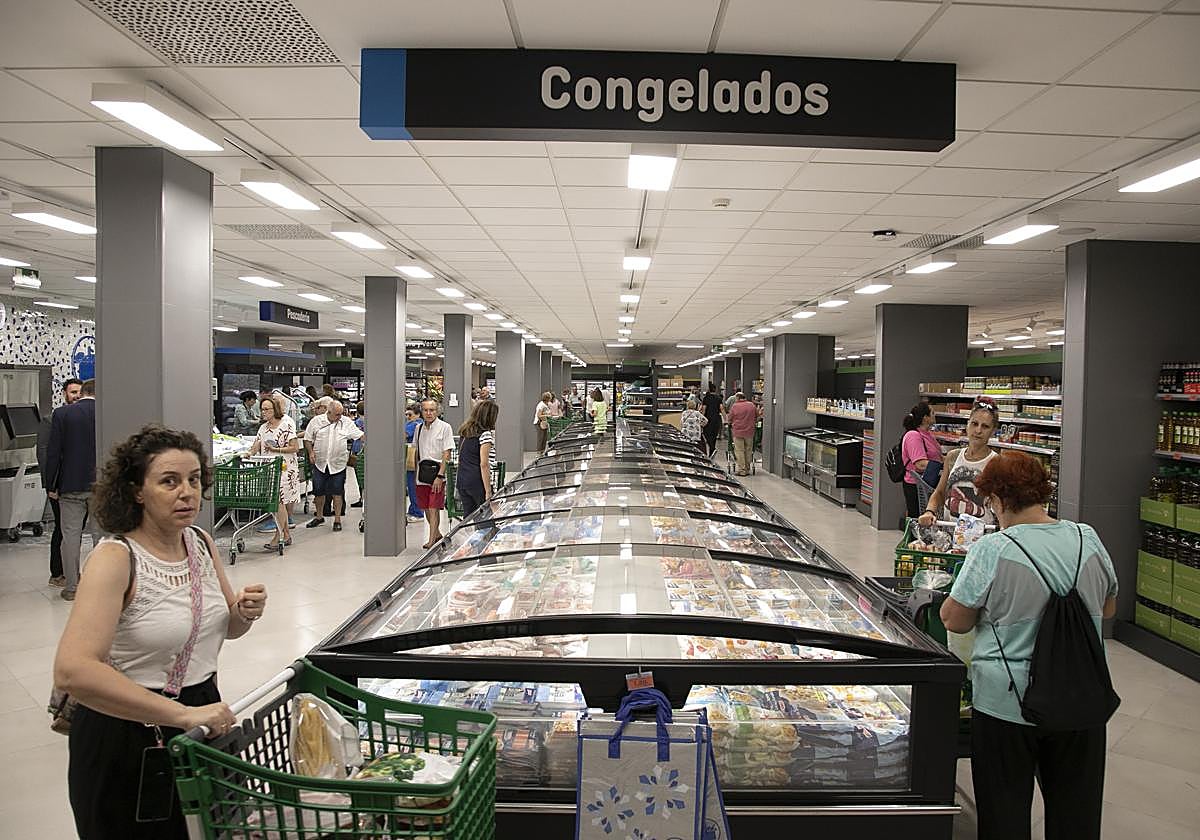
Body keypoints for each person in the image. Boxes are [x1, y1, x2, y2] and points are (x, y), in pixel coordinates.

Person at [53, 425, 266, 839]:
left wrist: (243, 612)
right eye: (169, 481)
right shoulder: (116, 558)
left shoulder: (200, 543)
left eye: (193, 479)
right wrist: (182, 715)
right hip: (129, 732)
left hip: (202, 715)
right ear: (137, 491)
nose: (187, 491)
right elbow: (73, 671)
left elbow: (228, 628)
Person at [940, 452, 1117, 840]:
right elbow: (1107, 605)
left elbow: (955, 618)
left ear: (999, 502)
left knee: (1005, 812)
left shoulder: (993, 549)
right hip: (1081, 697)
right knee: (1077, 815)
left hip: (1008, 704)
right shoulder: (1088, 538)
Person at [45, 378, 97, 601]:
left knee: (70, 537)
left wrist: (51, 484)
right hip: (101, 485)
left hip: (70, 485)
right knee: (101, 536)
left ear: (82, 392)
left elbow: (53, 452)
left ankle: (72, 587)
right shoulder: (108, 412)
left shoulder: (62, 414)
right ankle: (101, 584)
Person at [919, 397, 1000, 529]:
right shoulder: (953, 457)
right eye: (974, 423)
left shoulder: (996, 463)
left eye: (985, 426)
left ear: (993, 431)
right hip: (950, 534)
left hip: (980, 539)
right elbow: (939, 492)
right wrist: (929, 511)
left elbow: (1001, 505)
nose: (978, 430)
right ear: (967, 425)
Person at [36, 377, 83, 587]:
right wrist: (49, 485)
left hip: (77, 483)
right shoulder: (51, 419)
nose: (76, 396)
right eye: (73, 392)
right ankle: (58, 572)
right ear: (64, 394)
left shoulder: (82, 418)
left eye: (79, 393)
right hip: (60, 484)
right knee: (62, 529)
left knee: (74, 529)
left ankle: (71, 570)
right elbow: (44, 452)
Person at [248, 394, 300, 549]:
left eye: (267, 409)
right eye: (262, 409)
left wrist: (276, 449)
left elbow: (295, 447)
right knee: (277, 503)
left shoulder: (287, 423)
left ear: (274, 409)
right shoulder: (263, 427)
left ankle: (278, 537)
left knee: (279, 502)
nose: (264, 412)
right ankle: (286, 535)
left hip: (285, 469)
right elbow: (257, 444)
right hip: (269, 469)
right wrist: (249, 453)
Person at [303, 400, 363, 532]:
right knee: (318, 491)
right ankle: (319, 516)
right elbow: (307, 439)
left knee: (337, 492)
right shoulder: (316, 422)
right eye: (337, 414)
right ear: (328, 412)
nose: (339, 417)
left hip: (338, 464)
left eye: (341, 414)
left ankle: (337, 519)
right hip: (320, 463)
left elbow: (359, 435)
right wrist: (310, 452)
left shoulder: (346, 422)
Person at [414, 398, 454, 549]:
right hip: (422, 473)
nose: (429, 413)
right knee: (425, 507)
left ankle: (431, 541)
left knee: (434, 507)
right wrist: (414, 474)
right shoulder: (418, 429)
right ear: (421, 411)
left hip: (437, 473)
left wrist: (440, 476)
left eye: (432, 410)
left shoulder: (445, 428)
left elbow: (446, 453)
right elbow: (415, 451)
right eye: (425, 410)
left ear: (437, 411)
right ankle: (436, 534)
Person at [456, 400, 499, 518]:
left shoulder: (465, 431)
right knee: (485, 519)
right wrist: (488, 491)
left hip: (462, 480)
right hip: (477, 481)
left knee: (469, 518)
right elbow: (484, 464)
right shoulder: (485, 435)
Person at [900, 402, 942, 521]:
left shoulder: (928, 434)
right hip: (916, 485)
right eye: (932, 413)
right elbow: (920, 464)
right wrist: (942, 467)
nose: (935, 415)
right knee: (918, 520)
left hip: (928, 483)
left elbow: (936, 456)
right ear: (925, 418)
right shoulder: (913, 435)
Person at [727, 392, 758, 476]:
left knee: (739, 450)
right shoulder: (752, 405)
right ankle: (747, 469)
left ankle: (742, 470)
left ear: (737, 398)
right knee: (748, 450)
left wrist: (730, 423)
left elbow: (729, 418)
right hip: (750, 432)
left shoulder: (735, 406)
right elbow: (756, 416)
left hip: (738, 432)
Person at [404, 405, 424, 523]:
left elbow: (404, 435)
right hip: (417, 459)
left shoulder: (414, 424)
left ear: (417, 415)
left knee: (413, 487)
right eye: (406, 414)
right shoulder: (421, 424)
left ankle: (417, 511)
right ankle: (414, 509)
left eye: (410, 414)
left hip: (412, 458)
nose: (407, 417)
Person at [701, 384, 723, 457]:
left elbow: (704, 409)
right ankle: (712, 450)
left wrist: (702, 418)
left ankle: (712, 448)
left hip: (708, 419)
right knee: (714, 435)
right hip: (716, 419)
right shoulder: (719, 398)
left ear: (709, 390)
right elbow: (721, 408)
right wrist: (725, 418)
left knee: (707, 434)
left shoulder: (706, 398)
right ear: (715, 389)